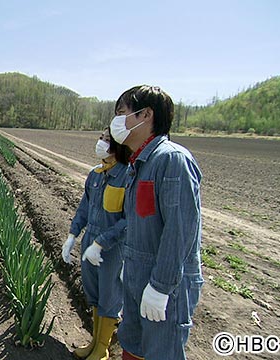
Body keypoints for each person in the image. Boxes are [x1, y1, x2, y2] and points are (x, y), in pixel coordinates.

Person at [110, 85, 203, 360]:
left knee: (160, 353)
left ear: (145, 115)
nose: (116, 121)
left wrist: (161, 286)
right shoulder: (139, 164)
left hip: (166, 284)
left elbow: (180, 229)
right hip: (140, 276)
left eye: (122, 112)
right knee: (133, 346)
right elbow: (139, 224)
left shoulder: (171, 160)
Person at [62, 127, 130, 360]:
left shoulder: (127, 176)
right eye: (101, 138)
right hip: (90, 239)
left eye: (107, 139)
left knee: (110, 294)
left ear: (119, 145)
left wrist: (101, 243)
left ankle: (103, 347)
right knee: (93, 291)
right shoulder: (95, 174)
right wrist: (72, 236)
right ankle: (94, 341)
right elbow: (84, 208)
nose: (101, 142)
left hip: (113, 246)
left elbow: (128, 221)